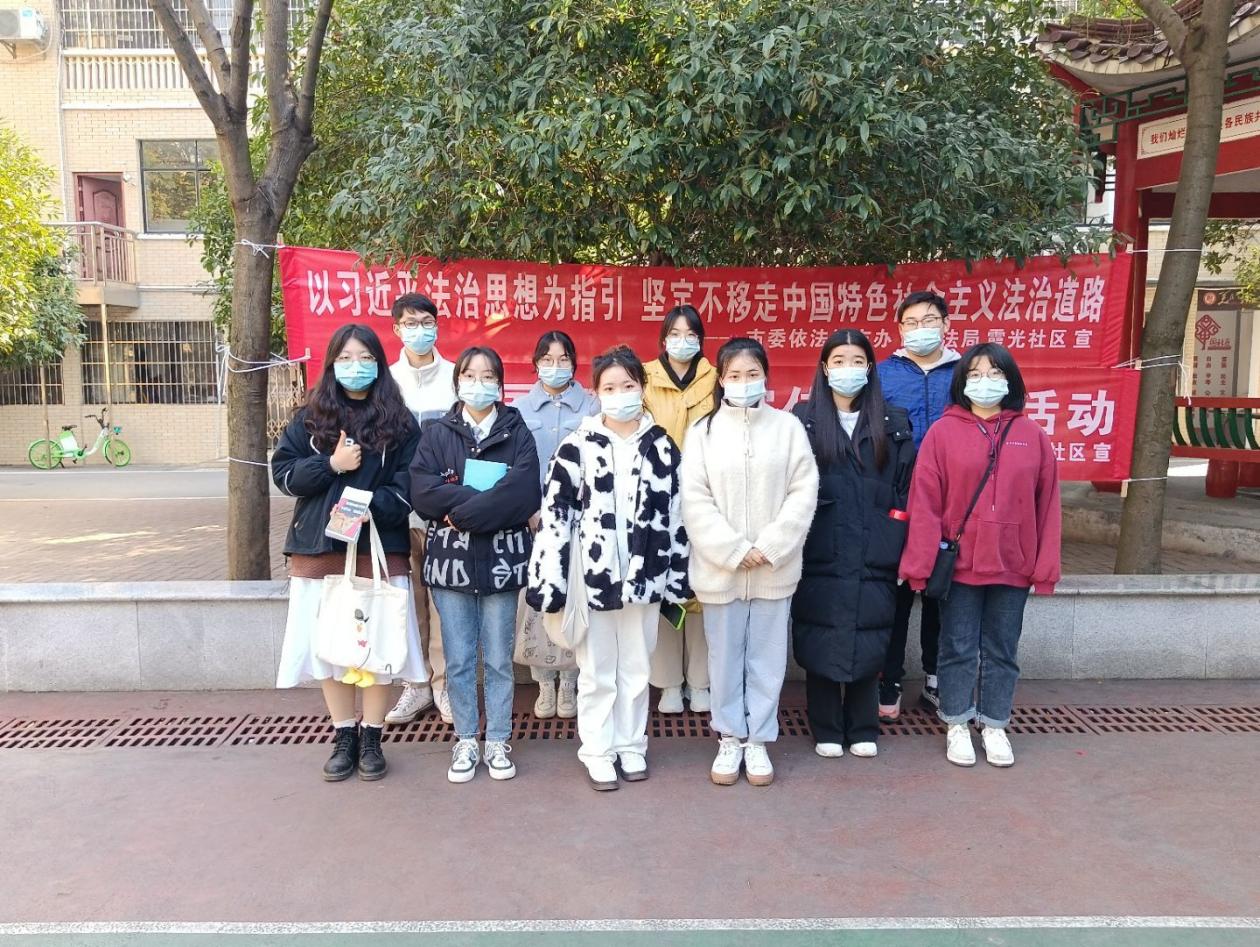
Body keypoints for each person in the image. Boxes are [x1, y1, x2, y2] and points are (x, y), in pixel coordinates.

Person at [527, 346, 691, 791]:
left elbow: (677, 517)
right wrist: (551, 582)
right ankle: (598, 751)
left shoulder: (662, 447)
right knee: (597, 670)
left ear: (642, 387)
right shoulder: (576, 446)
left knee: (637, 668)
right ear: (596, 392)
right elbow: (555, 518)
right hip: (593, 578)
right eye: (610, 387)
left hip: (646, 576)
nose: (621, 394)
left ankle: (631, 745)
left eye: (628, 385)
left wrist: (677, 577)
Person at [272, 323, 426, 783]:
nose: (355, 366)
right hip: (319, 549)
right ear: (331, 364)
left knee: (379, 642)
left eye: (365, 358)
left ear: (378, 364)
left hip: (379, 550)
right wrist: (331, 465)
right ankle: (344, 734)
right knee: (330, 647)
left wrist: (370, 506)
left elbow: (411, 486)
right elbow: (284, 475)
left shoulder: (401, 422)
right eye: (345, 358)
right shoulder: (309, 418)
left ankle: (373, 736)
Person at [899, 343, 1061, 769]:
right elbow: (925, 503)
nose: (984, 381)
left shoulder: (1032, 435)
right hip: (961, 566)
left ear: (1010, 381)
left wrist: (1045, 567)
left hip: (1013, 565)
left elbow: (1048, 506)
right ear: (962, 382)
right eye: (974, 374)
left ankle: (994, 724)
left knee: (1002, 648)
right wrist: (918, 565)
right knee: (956, 647)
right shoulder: (942, 433)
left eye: (994, 373)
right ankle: (956, 721)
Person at [680, 339, 818, 787]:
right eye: (735, 375)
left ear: (765, 377)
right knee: (722, 660)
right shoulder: (701, 432)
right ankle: (729, 736)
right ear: (721, 380)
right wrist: (733, 549)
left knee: (767, 659)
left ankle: (757, 739)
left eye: (752, 374)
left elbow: (803, 490)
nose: (743, 382)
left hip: (773, 570)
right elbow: (694, 498)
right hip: (721, 571)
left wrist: (772, 545)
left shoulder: (788, 428)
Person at [410, 346, 541, 784]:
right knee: (460, 659)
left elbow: (525, 492)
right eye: (470, 375)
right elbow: (423, 493)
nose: (478, 383)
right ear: (458, 382)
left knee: (500, 660)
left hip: (502, 563)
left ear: (500, 384)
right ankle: (466, 738)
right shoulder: (436, 433)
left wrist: (462, 512)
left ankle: (498, 738)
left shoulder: (516, 429)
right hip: (452, 567)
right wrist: (486, 503)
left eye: (488, 376)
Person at [793, 330, 915, 761]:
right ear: (825, 369)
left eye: (857, 360)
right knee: (820, 633)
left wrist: (895, 539)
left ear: (870, 368)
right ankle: (826, 726)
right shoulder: (802, 422)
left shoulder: (893, 423)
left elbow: (906, 491)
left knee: (871, 632)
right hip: (819, 549)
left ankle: (863, 726)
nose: (849, 369)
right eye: (839, 361)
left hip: (874, 549)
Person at [875, 290, 961, 721]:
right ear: (899, 328)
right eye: (910, 322)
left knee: (940, 593)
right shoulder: (881, 375)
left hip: (951, 503)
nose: (920, 329)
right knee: (893, 595)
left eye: (929, 320)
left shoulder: (966, 373)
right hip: (898, 501)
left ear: (946, 324)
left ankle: (935, 678)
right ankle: (888, 679)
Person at [511, 330, 600, 720]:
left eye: (563, 359)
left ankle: (570, 682)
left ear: (574, 363)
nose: (555, 366)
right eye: (547, 359)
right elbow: (514, 468)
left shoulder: (593, 406)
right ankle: (544, 682)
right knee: (539, 601)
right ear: (535, 364)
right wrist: (528, 510)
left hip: (580, 521)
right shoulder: (518, 409)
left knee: (575, 597)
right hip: (535, 521)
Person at [385, 292, 456, 727]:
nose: (419, 330)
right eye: (410, 323)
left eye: (426, 322)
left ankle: (445, 684)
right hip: (397, 510)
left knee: (445, 599)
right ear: (396, 329)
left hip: (445, 512)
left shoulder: (457, 376)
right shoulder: (386, 380)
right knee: (407, 601)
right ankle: (416, 684)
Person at [642, 304, 716, 714]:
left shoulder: (717, 378)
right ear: (663, 338)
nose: (682, 341)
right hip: (658, 501)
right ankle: (669, 682)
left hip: (706, 498)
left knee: (703, 590)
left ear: (701, 340)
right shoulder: (644, 378)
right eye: (675, 333)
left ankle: (701, 681)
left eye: (691, 334)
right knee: (664, 588)